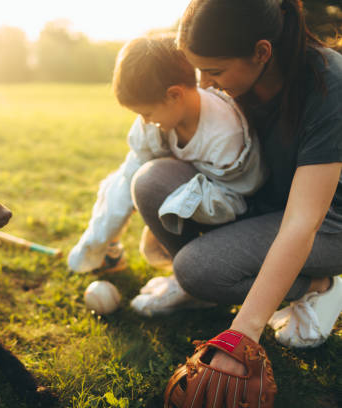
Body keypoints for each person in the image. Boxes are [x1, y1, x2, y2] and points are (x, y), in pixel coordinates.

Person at [134, 0, 342, 384]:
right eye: (199, 70)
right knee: (152, 182)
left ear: (262, 52)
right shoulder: (238, 81)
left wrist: (242, 335)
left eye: (214, 71)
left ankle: (323, 285)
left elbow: (302, 221)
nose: (205, 83)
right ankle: (208, 288)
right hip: (263, 203)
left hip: (327, 222)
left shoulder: (328, 83)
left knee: (196, 268)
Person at [67, 36, 266, 316]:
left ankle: (196, 283)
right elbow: (129, 178)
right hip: (200, 200)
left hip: (240, 216)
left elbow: (235, 203)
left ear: (174, 95)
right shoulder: (160, 121)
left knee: (154, 181)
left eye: (147, 113)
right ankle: (176, 272)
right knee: (138, 180)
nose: (146, 120)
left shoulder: (224, 133)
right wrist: (94, 246)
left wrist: (171, 202)